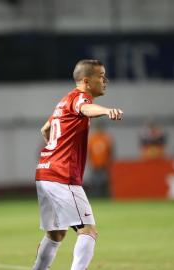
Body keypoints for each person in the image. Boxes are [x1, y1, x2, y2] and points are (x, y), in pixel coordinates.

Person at [33, 59, 123, 270]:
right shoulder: (80, 98)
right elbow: (85, 108)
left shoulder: (63, 101)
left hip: (44, 173)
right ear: (86, 80)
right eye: (101, 76)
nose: (105, 80)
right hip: (62, 175)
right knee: (88, 231)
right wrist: (106, 111)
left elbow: (44, 129)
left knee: (56, 234)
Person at [87, 121, 113, 197]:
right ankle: (96, 197)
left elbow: (110, 151)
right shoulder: (93, 138)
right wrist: (90, 162)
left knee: (105, 181)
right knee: (95, 182)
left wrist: (109, 162)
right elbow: (89, 152)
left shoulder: (106, 138)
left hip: (104, 164)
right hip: (95, 165)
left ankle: (105, 197)